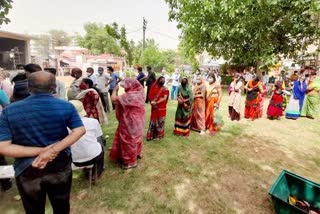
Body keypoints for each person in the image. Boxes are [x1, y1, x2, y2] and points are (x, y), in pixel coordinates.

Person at [0, 71, 85, 214]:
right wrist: (49, 151)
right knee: (61, 205)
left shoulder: (9, 111)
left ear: (29, 87)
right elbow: (80, 130)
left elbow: (3, 147)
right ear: (54, 87)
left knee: (33, 209)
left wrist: (45, 151)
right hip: (59, 164)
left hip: (27, 168)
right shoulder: (66, 106)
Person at [110, 78, 145, 169]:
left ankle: (130, 162)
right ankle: (137, 153)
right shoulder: (140, 92)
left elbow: (114, 100)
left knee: (129, 140)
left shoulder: (128, 96)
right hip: (139, 120)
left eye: (125, 86)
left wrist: (114, 90)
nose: (124, 88)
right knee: (137, 137)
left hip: (129, 121)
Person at [69, 100, 105, 179]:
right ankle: (97, 172)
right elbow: (100, 138)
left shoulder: (64, 125)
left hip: (74, 160)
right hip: (93, 157)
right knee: (101, 144)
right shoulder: (93, 121)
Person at [146, 76, 169, 141]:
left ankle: (159, 135)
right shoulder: (154, 87)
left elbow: (164, 98)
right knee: (153, 120)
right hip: (154, 107)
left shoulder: (165, 89)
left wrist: (156, 102)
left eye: (164, 80)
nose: (162, 81)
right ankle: (151, 135)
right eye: (161, 79)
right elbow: (150, 95)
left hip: (161, 108)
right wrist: (152, 102)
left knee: (160, 121)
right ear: (158, 80)